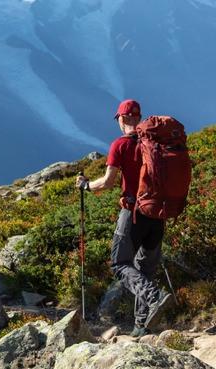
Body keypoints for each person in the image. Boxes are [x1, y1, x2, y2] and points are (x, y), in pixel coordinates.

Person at [76, 99, 173, 337]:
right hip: (157, 213)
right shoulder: (155, 142)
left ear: (122, 118)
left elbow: (108, 182)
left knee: (120, 264)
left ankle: (154, 296)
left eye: (118, 118)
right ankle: (142, 326)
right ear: (138, 118)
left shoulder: (120, 145)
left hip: (133, 214)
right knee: (145, 268)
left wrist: (86, 186)